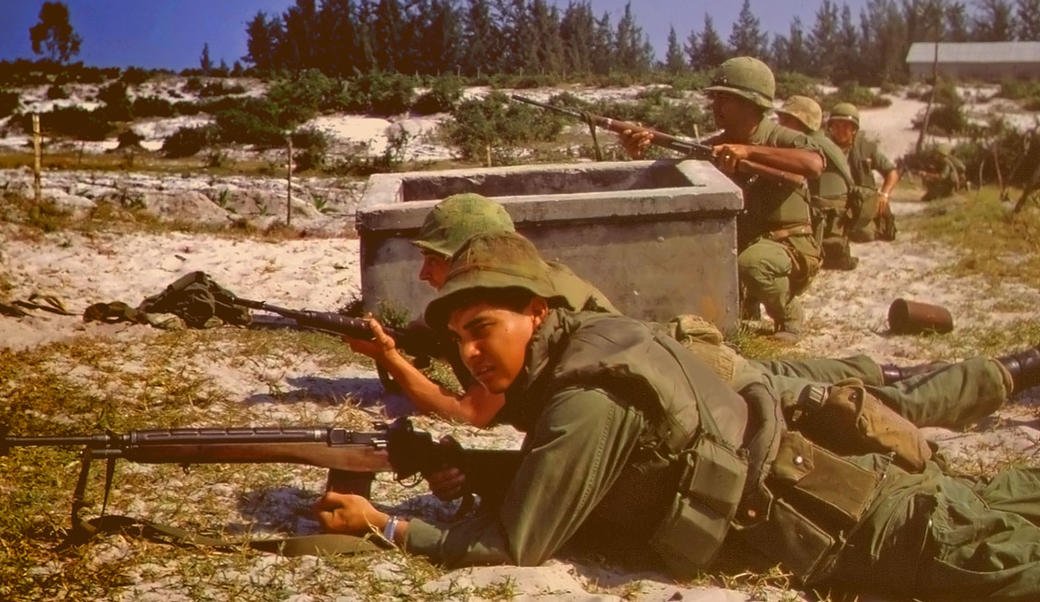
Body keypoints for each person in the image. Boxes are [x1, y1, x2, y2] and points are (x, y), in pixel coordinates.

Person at [315, 231, 1040, 600]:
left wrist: (384, 526)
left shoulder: (584, 396)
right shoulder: (595, 347)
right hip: (862, 488)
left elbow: (515, 546)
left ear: (538, 314)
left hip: (874, 531)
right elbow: (587, 475)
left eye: (485, 328)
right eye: (460, 337)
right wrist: (472, 466)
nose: (471, 352)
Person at [344, 192, 616, 427]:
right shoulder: (518, 281)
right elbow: (424, 335)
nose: (423, 274)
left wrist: (389, 358)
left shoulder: (524, 306)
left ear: (470, 259)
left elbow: (471, 414)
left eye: (433, 260)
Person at [623, 56, 825, 344]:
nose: (715, 107)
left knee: (752, 264)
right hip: (742, 242)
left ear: (751, 103)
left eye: (725, 99)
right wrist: (640, 148)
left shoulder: (783, 137)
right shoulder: (715, 146)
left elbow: (814, 165)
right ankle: (744, 312)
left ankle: (789, 316)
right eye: (714, 98)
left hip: (789, 244)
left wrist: (749, 153)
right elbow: (677, 172)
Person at [775, 96, 859, 270]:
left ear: (802, 121)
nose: (780, 123)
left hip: (825, 213)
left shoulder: (808, 143)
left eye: (786, 119)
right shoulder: (823, 141)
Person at [826, 102, 900, 242]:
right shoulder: (824, 145)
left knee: (866, 235)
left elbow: (892, 172)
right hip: (833, 202)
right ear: (830, 127)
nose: (840, 130)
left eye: (846, 126)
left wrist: (884, 195)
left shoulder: (865, 147)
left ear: (854, 129)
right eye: (836, 126)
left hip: (860, 202)